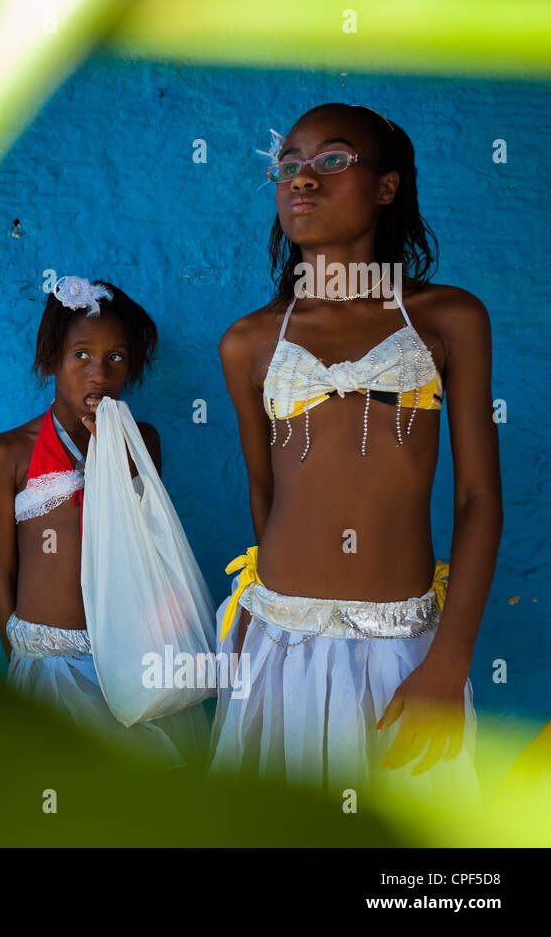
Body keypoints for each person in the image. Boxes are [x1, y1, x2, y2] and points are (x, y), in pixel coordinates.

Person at [212, 104, 500, 796]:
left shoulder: (448, 318)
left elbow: (477, 499)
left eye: (332, 161)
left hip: (405, 652)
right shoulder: (249, 341)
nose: (301, 181)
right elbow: (265, 491)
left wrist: (449, 661)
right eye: (288, 167)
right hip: (277, 646)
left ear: (387, 187)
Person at [0, 275, 209, 770]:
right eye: (81, 355)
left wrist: (115, 452)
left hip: (130, 662)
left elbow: (145, 543)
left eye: (117, 357)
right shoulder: (9, 453)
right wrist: (20, 660)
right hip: (49, 667)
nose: (99, 374)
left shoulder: (141, 442)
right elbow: (2, 572)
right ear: (51, 362)